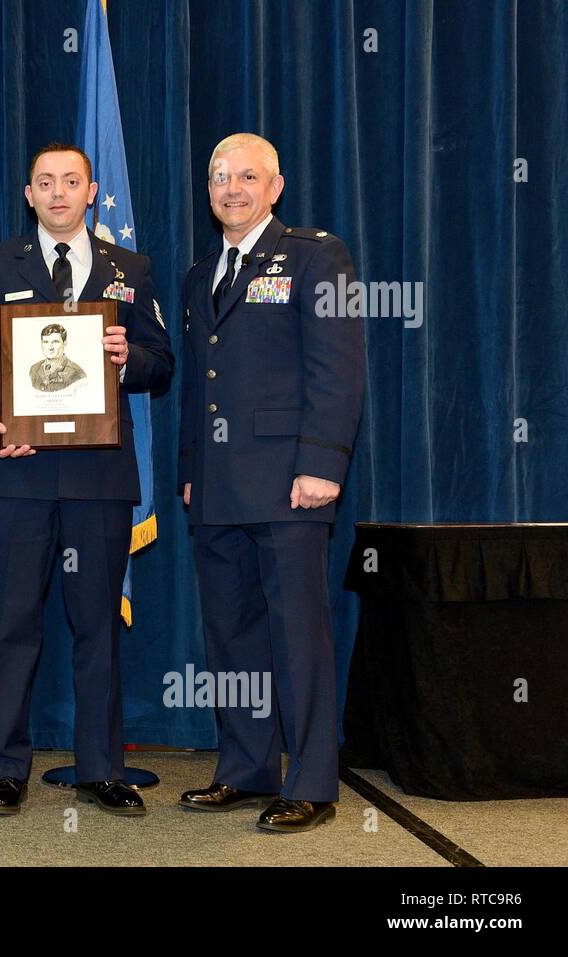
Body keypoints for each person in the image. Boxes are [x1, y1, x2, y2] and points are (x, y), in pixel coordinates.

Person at [0, 142, 174, 816]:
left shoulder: (129, 270)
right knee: (11, 624)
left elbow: (162, 364)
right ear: (28, 193)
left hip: (97, 478)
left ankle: (102, 767)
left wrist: (125, 354)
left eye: (70, 181)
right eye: (44, 182)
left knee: (97, 625)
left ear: (91, 190)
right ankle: (5, 768)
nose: (57, 193)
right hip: (17, 477)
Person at [177, 132, 365, 832]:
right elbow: (200, 385)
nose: (231, 188)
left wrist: (323, 461)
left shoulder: (317, 256)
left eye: (247, 176)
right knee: (231, 634)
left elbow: (338, 368)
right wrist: (190, 469)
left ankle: (312, 780)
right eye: (220, 176)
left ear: (275, 186)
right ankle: (246, 766)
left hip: (292, 481)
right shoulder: (203, 275)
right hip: (218, 486)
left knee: (299, 634)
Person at [29, 323, 87, 393]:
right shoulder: (34, 369)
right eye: (46, 342)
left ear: (64, 344)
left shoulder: (77, 373)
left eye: (55, 342)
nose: (50, 347)